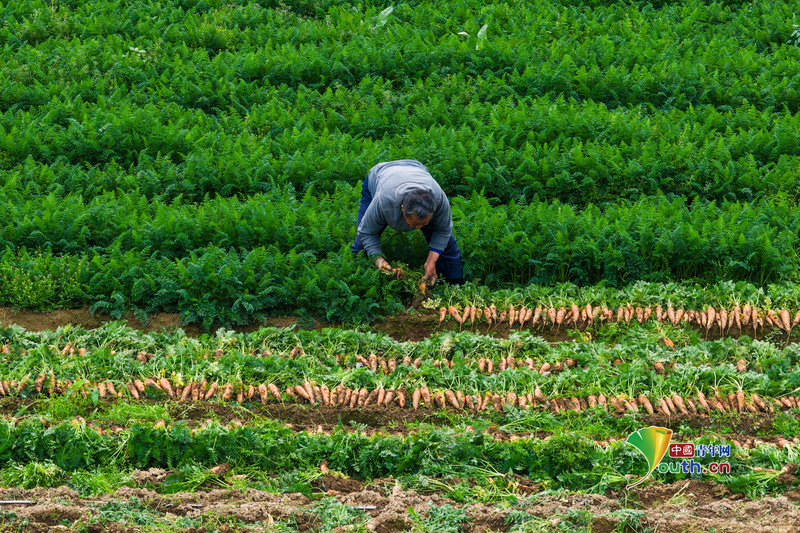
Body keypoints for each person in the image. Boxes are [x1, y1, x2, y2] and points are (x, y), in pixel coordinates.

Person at [351, 159, 464, 286]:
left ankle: (455, 285)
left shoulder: (439, 200)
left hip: (416, 168)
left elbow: (443, 230)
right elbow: (367, 232)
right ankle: (357, 283)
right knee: (360, 247)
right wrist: (377, 257)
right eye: (414, 224)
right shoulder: (384, 203)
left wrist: (431, 261)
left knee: (448, 247)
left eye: (424, 224)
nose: (419, 228)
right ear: (403, 210)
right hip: (380, 175)